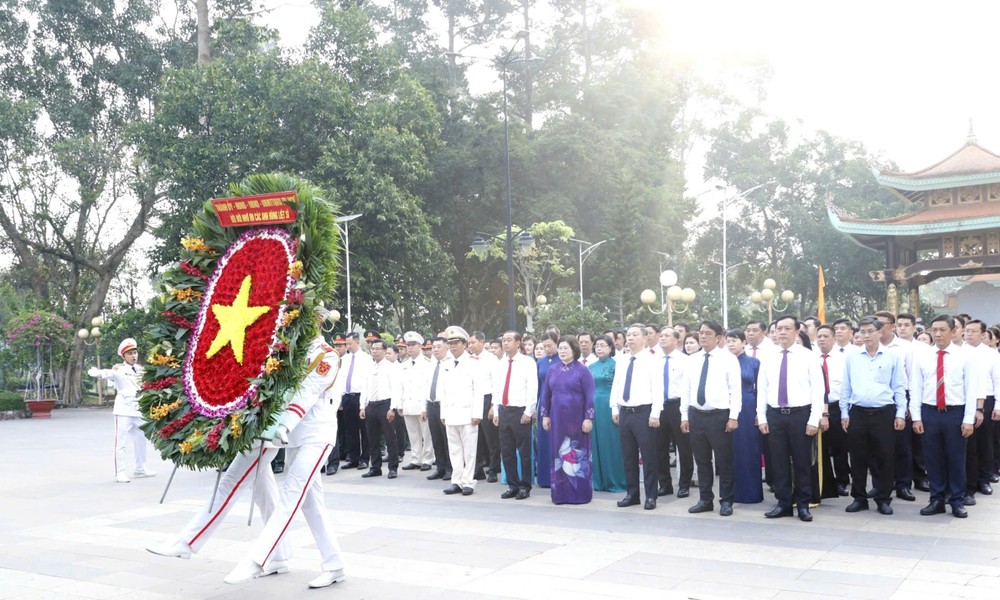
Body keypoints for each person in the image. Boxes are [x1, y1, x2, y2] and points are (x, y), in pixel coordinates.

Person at [224, 312, 346, 588]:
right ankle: (332, 563)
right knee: (313, 503)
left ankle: (258, 558)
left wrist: (284, 425)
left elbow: (306, 394)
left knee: (292, 492)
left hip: (316, 435)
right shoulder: (288, 352)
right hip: (295, 437)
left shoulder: (326, 354)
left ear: (316, 321)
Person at [911, 315, 982, 518]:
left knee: (956, 458)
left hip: (955, 413)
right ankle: (936, 499)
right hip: (930, 412)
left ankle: (957, 500)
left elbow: (971, 391)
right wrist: (916, 417)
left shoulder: (965, 357)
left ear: (953, 332)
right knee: (932, 459)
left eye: (943, 330)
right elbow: (916, 387)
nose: (938, 334)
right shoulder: (922, 356)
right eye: (935, 330)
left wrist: (969, 419)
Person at [756, 315, 824, 522]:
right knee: (778, 462)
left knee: (802, 462)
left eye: (787, 329)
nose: (782, 332)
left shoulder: (808, 356)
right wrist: (762, 417)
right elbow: (762, 389)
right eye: (779, 329)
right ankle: (783, 503)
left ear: (797, 332)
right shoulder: (768, 357)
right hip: (775, 415)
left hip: (800, 415)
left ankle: (803, 504)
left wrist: (814, 419)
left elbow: (817, 390)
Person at [840, 317, 907, 515]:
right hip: (857, 413)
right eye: (862, 331)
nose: (866, 335)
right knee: (858, 457)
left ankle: (883, 498)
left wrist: (901, 413)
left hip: (884, 413)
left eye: (870, 331)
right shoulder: (852, 356)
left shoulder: (892, 356)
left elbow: (899, 387)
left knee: (885, 457)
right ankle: (859, 498)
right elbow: (846, 386)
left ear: (880, 332)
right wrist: (844, 412)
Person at [682, 320, 741, 517]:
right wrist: (684, 415)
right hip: (697, 415)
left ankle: (726, 500)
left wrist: (733, 417)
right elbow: (687, 390)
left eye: (708, 333)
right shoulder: (692, 359)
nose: (703, 336)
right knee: (702, 460)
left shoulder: (728, 359)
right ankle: (705, 499)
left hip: (719, 416)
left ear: (718, 337)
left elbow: (735, 391)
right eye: (701, 332)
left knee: (724, 461)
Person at [610, 324, 664, 510]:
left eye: (635, 334)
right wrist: (614, 409)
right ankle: (632, 494)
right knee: (628, 456)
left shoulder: (653, 360)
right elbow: (616, 386)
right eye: (628, 335)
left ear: (645, 338)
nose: (630, 338)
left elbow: (658, 389)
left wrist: (655, 413)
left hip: (644, 412)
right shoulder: (622, 360)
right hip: (625, 412)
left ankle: (651, 496)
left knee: (648, 456)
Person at [90, 338, 155, 483]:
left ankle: (140, 468)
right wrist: (97, 373)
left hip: (138, 410)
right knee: (121, 442)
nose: (134, 356)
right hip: (124, 410)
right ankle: (119, 472)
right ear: (123, 356)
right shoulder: (119, 369)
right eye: (130, 353)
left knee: (141, 439)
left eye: (135, 352)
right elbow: (108, 373)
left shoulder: (140, 370)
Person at [540, 336, 595, 504]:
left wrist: (588, 418)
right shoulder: (553, 370)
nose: (562, 351)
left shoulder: (582, 370)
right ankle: (560, 494)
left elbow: (590, 395)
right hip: (557, 419)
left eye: (566, 348)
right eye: (561, 348)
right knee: (558, 453)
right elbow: (546, 394)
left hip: (577, 419)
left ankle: (580, 494)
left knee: (577, 455)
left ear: (574, 350)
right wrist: (545, 415)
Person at [493, 330, 538, 500]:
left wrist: (528, 411)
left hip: (520, 411)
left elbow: (532, 388)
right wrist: (496, 411)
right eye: (503, 340)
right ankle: (512, 485)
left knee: (524, 452)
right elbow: (496, 388)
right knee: (507, 451)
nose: (505, 343)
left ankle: (525, 486)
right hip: (504, 410)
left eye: (509, 340)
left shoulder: (527, 362)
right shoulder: (500, 364)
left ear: (518, 343)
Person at [439, 326, 483, 496]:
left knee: (469, 451)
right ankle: (456, 481)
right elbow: (443, 391)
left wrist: (477, 414)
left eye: (456, 342)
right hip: (451, 413)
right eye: (450, 343)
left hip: (467, 413)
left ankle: (468, 482)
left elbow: (478, 390)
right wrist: (443, 413)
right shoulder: (446, 364)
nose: (453, 346)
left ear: (465, 344)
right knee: (454, 450)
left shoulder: (473, 363)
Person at [655, 326, 693, 498]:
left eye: (667, 335)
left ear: (677, 340)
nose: (662, 338)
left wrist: (685, 412)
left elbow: (688, 388)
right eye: (661, 335)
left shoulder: (685, 360)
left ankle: (684, 484)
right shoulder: (654, 360)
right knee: (659, 448)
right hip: (658, 406)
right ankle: (664, 484)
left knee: (683, 448)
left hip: (678, 406)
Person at [725, 329, 762, 504]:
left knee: (748, 449)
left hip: (748, 408)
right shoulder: (722, 362)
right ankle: (730, 491)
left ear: (743, 342)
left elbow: (761, 389)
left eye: (734, 340)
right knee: (730, 450)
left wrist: (759, 413)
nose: (730, 344)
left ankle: (750, 492)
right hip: (727, 407)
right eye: (728, 341)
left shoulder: (754, 363)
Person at [360, 340, 402, 479]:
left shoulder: (391, 367)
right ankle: (375, 467)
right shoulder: (368, 367)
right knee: (372, 438)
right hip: (371, 405)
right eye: (373, 349)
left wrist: (392, 408)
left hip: (386, 404)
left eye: (378, 349)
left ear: (385, 351)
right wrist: (362, 406)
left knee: (390, 437)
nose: (375, 351)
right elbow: (364, 388)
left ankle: (392, 467)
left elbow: (396, 389)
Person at [816, 324, 850, 496]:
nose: (822, 339)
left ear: (834, 338)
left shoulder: (843, 358)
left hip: (837, 407)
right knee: (821, 447)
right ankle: (824, 481)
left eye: (826, 336)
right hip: (817, 408)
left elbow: (846, 386)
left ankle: (842, 480)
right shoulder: (813, 358)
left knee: (839, 447)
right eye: (819, 336)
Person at [590, 334, 626, 493]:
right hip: (593, 406)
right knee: (595, 443)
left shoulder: (617, 365)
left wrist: (616, 408)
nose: (599, 348)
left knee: (611, 443)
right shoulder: (590, 366)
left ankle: (616, 480)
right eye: (597, 345)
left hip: (609, 406)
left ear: (611, 348)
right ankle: (599, 480)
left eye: (603, 345)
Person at [400, 331, 434, 472]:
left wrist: (425, 407)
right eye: (408, 345)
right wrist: (399, 404)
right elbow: (401, 386)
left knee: (426, 434)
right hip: (408, 403)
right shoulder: (405, 364)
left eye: (413, 345)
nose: (410, 347)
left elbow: (428, 386)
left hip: (421, 404)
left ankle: (427, 459)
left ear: (420, 346)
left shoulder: (428, 363)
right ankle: (416, 459)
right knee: (413, 434)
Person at [470, 331, 501, 482]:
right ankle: (477, 468)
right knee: (475, 435)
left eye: (473, 342)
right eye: (469, 343)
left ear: (482, 342)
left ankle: (494, 468)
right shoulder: (468, 359)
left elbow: (496, 384)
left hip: (487, 398)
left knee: (491, 438)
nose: (471, 345)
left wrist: (493, 406)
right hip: (472, 399)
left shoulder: (491, 359)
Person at [339, 332, 373, 470]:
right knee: (350, 429)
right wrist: (341, 398)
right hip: (347, 396)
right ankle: (353, 458)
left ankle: (365, 458)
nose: (348, 346)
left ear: (357, 342)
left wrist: (364, 402)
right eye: (346, 343)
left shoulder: (366, 359)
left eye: (350, 343)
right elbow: (342, 378)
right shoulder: (345, 359)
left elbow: (367, 381)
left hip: (360, 396)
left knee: (364, 430)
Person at [422, 336, 453, 481]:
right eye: (433, 347)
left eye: (439, 347)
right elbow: (425, 387)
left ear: (447, 348)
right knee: (436, 439)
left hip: (445, 406)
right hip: (432, 406)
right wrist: (424, 408)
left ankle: (450, 468)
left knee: (448, 440)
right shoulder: (431, 365)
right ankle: (440, 468)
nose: (435, 350)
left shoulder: (452, 363)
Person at [535, 332, 559, 488]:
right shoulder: (540, 362)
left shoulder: (562, 360)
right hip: (543, 404)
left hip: (559, 405)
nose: (548, 349)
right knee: (543, 441)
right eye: (545, 346)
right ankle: (544, 477)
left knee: (558, 440)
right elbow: (537, 386)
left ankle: (559, 476)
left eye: (550, 345)